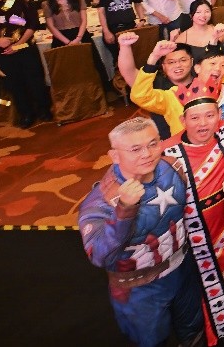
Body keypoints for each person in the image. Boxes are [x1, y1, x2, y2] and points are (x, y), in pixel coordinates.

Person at [79, 116, 204, 347]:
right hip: (138, 288)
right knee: (150, 341)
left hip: (182, 269)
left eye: (153, 144)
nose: (147, 154)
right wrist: (124, 211)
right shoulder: (101, 202)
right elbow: (99, 256)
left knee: (194, 331)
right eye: (135, 149)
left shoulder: (173, 167)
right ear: (115, 156)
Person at [160, 70, 224, 345]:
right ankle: (217, 335)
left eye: (209, 116)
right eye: (194, 118)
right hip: (196, 234)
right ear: (182, 120)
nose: (203, 124)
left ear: (220, 115)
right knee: (205, 287)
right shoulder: (166, 152)